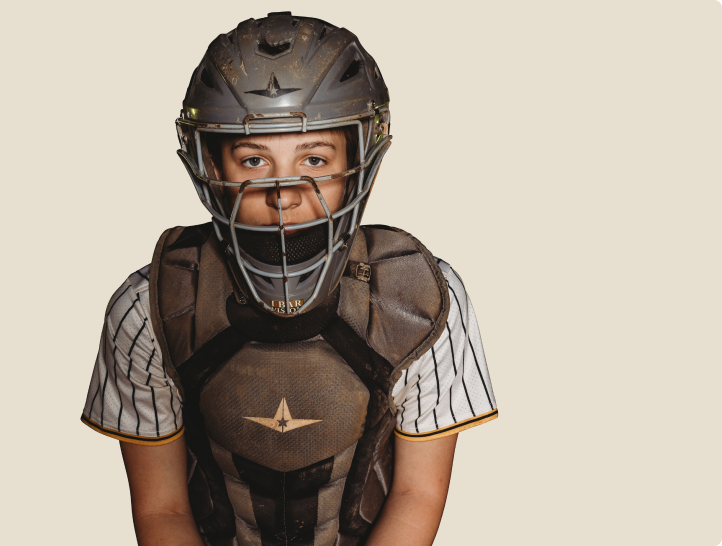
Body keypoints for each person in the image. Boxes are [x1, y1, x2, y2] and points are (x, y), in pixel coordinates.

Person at [81, 12, 498, 546]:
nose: (284, 189)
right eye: (253, 159)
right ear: (211, 164)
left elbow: (417, 497)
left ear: (358, 157)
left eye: (315, 157)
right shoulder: (154, 304)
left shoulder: (415, 297)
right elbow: (162, 510)